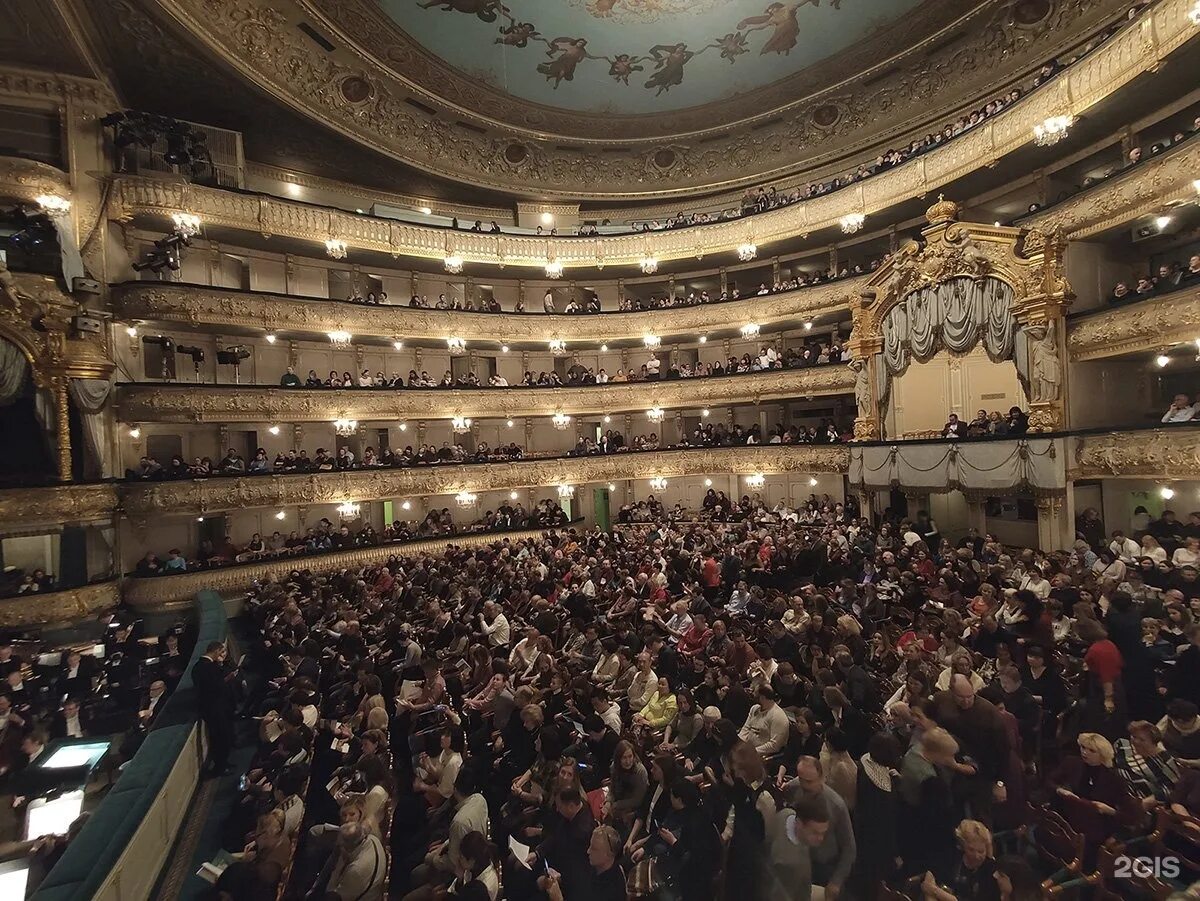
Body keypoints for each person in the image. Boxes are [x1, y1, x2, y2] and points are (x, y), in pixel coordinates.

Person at [192, 640, 236, 776]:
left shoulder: (198, 666)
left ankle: (223, 763)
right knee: (220, 738)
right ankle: (220, 767)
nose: (222, 654)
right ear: (216, 651)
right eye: (221, 652)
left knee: (220, 737)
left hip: (211, 707)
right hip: (214, 708)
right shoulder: (208, 667)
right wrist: (227, 679)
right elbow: (215, 688)